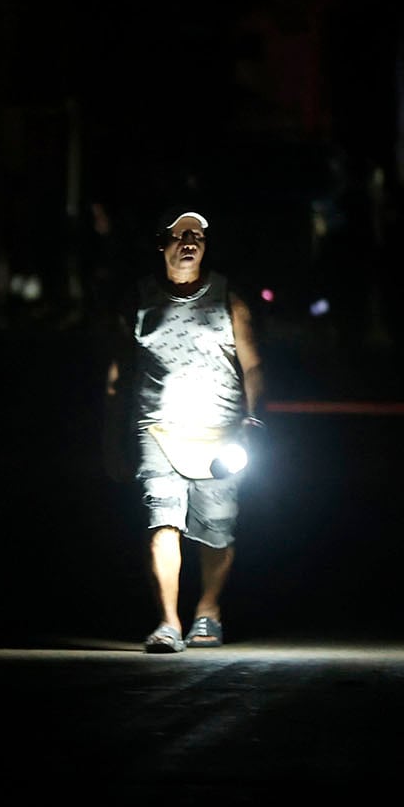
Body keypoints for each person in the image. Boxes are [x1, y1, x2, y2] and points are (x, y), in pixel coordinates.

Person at [104, 209, 265, 653]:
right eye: (180, 235)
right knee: (163, 521)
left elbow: (252, 365)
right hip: (157, 427)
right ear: (163, 244)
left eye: (197, 235)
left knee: (216, 528)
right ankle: (168, 622)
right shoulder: (139, 299)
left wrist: (254, 420)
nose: (189, 242)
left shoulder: (229, 297)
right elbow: (117, 375)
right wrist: (110, 436)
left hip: (220, 430)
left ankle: (208, 612)